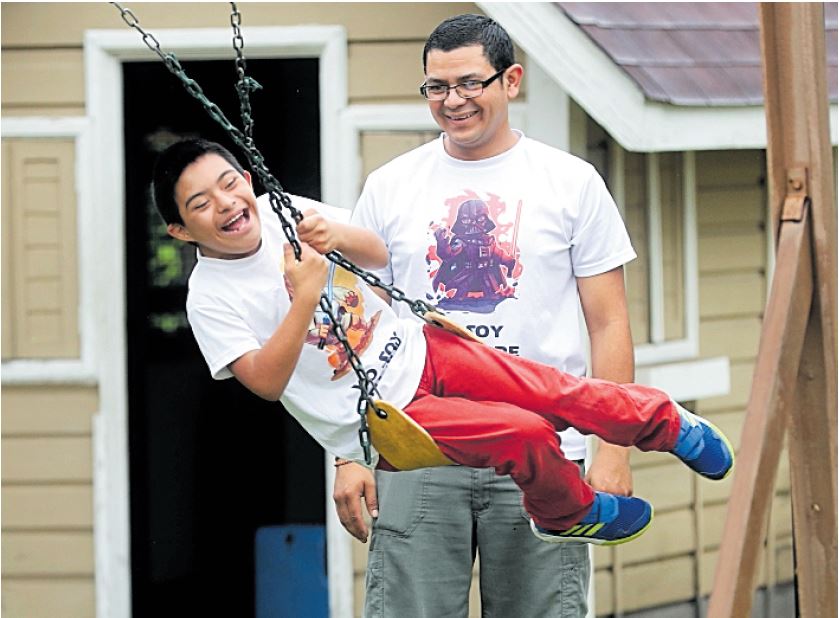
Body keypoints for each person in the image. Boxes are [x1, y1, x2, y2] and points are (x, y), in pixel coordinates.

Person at [152, 138, 733, 560]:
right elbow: (265, 381)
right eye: (200, 203)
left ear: (247, 179)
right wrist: (304, 298)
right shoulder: (210, 297)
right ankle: (567, 513)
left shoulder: (290, 210)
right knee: (522, 433)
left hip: (423, 346)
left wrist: (337, 236)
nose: (226, 204)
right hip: (391, 417)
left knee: (555, 392)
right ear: (180, 230)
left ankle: (663, 424)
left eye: (229, 183)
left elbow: (377, 255)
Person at [332, 13, 645, 617]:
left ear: (511, 81)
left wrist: (612, 450)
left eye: (470, 83)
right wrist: (350, 454)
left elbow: (609, 324)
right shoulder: (391, 186)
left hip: (545, 448)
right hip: (418, 443)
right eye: (438, 87)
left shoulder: (571, 183)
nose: (454, 101)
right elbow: (354, 327)